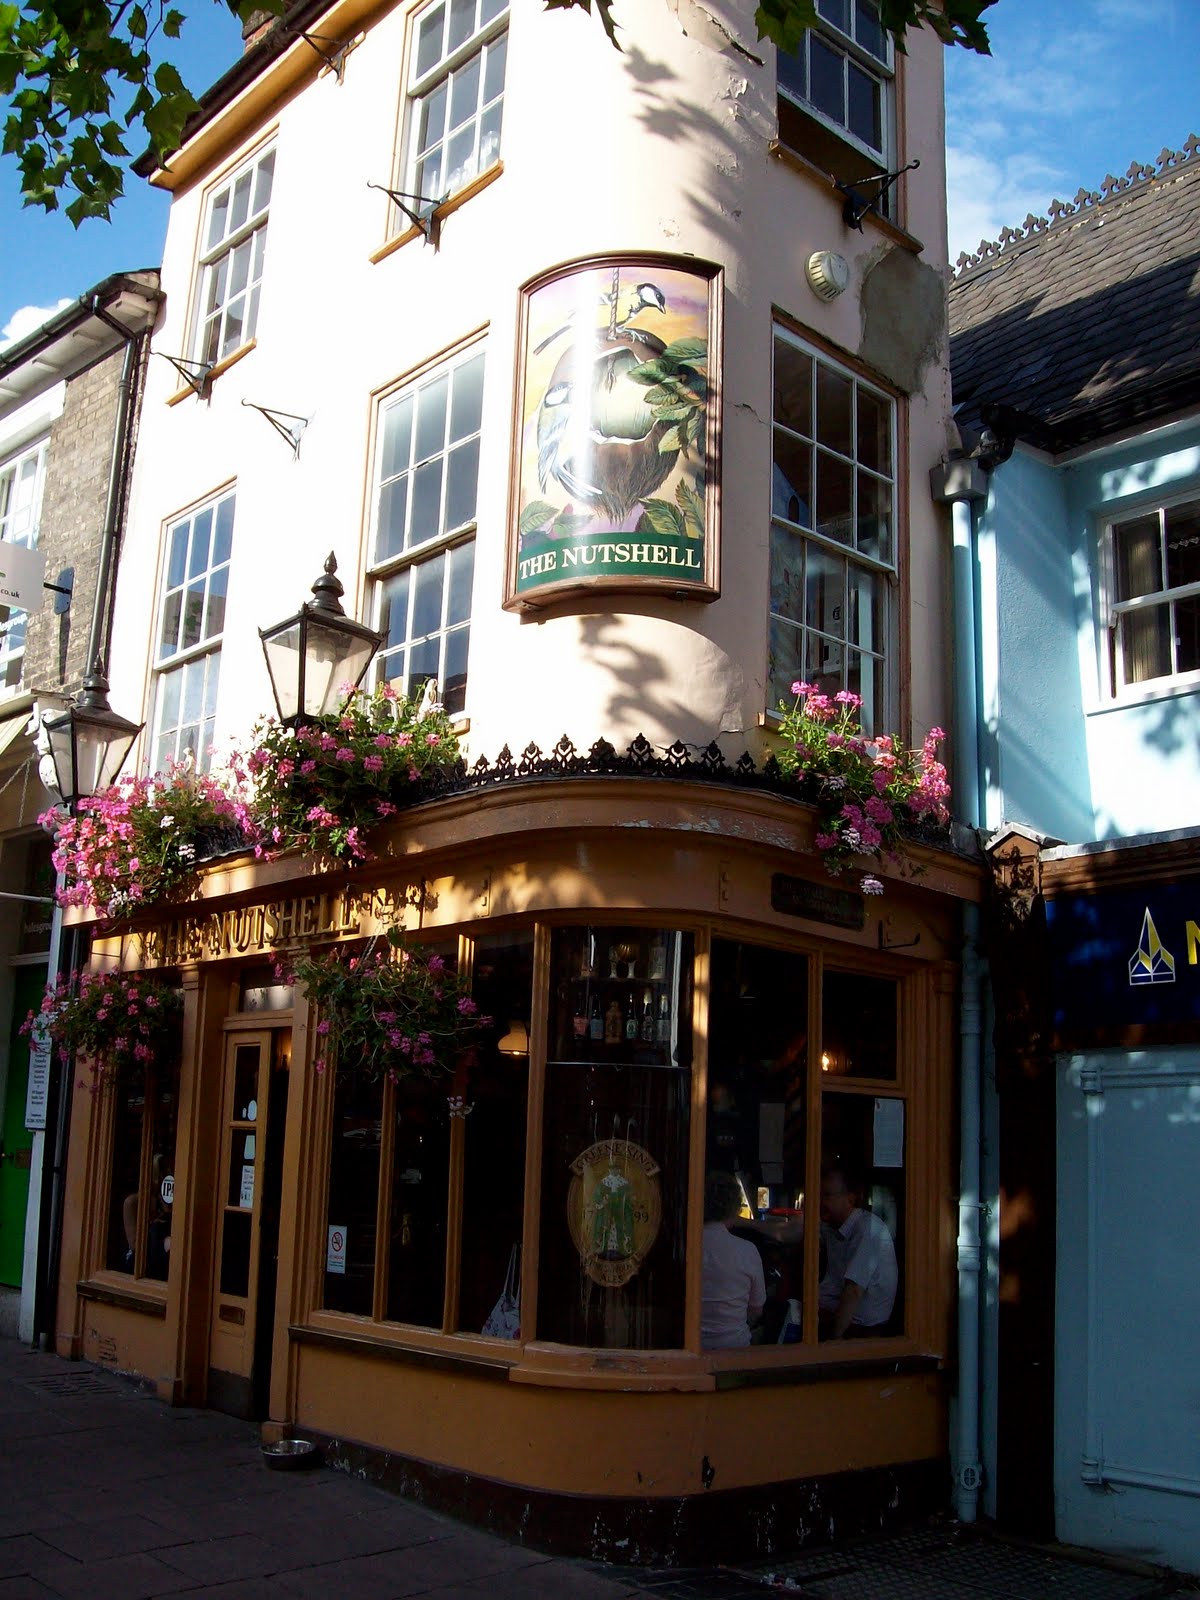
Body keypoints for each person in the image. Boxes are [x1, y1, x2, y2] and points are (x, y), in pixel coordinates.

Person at [818, 1164, 897, 1339]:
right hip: (833, 1315)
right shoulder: (831, 1225)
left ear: (850, 1199)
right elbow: (795, 1231)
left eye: (827, 1195)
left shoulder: (867, 1230)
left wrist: (831, 1345)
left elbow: (853, 1292)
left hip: (860, 1331)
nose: (820, 1202)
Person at [701, 1170, 766, 1349]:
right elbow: (756, 1309)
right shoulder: (747, 1251)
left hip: (691, 1347)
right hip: (735, 1348)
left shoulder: (684, 1247)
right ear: (734, 1208)